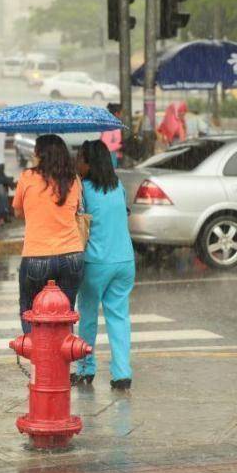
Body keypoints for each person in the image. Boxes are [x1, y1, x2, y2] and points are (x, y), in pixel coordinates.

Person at [73, 140, 135, 391]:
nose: (77, 163)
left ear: (89, 163)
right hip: (124, 261)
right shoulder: (117, 185)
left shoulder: (83, 189)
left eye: (80, 159)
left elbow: (78, 222)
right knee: (119, 317)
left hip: (96, 262)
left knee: (88, 316)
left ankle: (86, 369)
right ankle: (122, 373)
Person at [12, 134, 84, 334]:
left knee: (29, 309)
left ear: (39, 153)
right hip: (72, 256)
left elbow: (18, 211)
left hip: (37, 255)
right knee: (65, 311)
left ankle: (38, 357)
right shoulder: (72, 179)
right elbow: (76, 209)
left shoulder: (27, 177)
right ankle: (61, 358)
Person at [101, 103, 123, 168]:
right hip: (111, 156)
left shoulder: (115, 126)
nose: (122, 115)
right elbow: (106, 145)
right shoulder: (110, 127)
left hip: (116, 156)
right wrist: (121, 145)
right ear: (116, 114)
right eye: (122, 113)